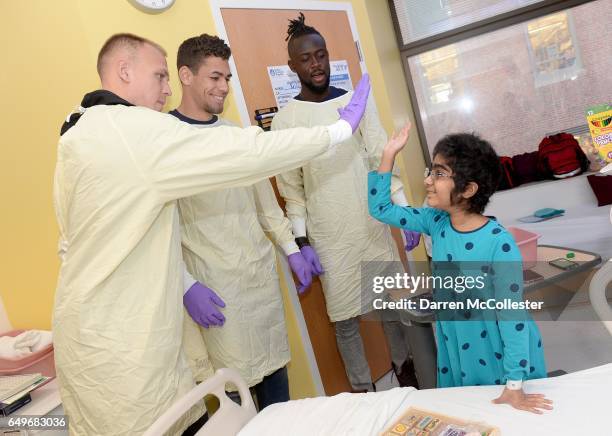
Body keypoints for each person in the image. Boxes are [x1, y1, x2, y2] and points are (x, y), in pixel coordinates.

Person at [53, 33, 370, 435]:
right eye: (160, 76)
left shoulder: (83, 128)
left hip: (116, 328)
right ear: (124, 71)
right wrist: (336, 131)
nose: (166, 90)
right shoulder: (134, 132)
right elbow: (250, 153)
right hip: (130, 337)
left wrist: (292, 246)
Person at [271, 14, 436, 392]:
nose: (316, 64)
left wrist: (403, 210)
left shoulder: (355, 103)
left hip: (370, 223)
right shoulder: (286, 122)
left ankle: (406, 371)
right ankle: (362, 391)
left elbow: (382, 156)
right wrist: (301, 242)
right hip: (329, 234)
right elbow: (292, 189)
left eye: (321, 54)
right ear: (292, 66)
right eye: (306, 58)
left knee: (394, 306)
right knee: (345, 319)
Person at [171, 34, 317, 409]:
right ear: (186, 75)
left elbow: (266, 205)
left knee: (277, 395)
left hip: (259, 285)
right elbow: (159, 232)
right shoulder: (166, 142)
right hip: (216, 291)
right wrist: (186, 285)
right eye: (215, 77)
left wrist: (291, 249)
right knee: (236, 400)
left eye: (228, 79)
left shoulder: (236, 135)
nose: (224, 87)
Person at [368, 124, 554, 414]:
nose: (428, 180)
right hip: (457, 342)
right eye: (432, 170)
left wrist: (515, 385)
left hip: (497, 348)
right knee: (470, 413)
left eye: (439, 174)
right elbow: (381, 209)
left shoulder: (499, 244)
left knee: (503, 415)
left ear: (468, 189)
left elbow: (512, 317)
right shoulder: (436, 222)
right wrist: (388, 154)